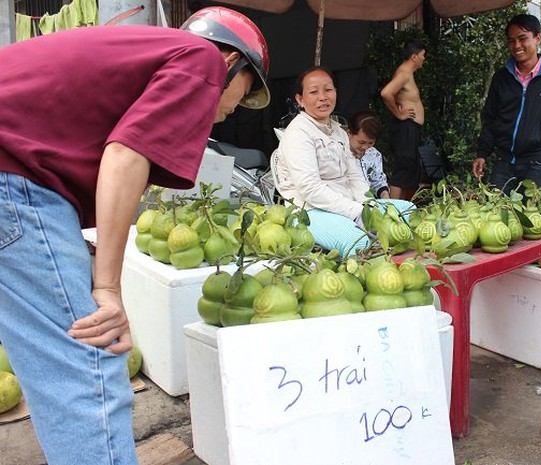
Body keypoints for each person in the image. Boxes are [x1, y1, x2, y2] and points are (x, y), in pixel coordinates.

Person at [0, 7, 269, 465]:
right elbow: (125, 156)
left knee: (53, 364)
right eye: (244, 93)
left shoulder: (141, 53)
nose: (231, 109)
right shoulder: (201, 59)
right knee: (89, 362)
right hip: (13, 181)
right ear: (231, 62)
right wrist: (106, 287)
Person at [274, 66, 412, 257]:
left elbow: (354, 176)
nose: (323, 97)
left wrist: (368, 205)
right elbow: (310, 189)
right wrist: (356, 211)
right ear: (300, 100)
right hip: (310, 210)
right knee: (359, 242)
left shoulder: (338, 131)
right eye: (314, 92)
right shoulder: (298, 133)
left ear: (336, 92)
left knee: (409, 211)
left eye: (328, 90)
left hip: (348, 204)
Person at [472, 14, 541, 195]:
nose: (517, 46)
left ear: (538, 38)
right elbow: (490, 116)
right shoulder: (502, 76)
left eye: (522, 39)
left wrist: (540, 133)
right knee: (497, 215)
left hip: (537, 165)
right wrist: (483, 152)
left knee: (536, 219)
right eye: (511, 41)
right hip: (503, 164)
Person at [380, 39, 427, 200]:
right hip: (405, 127)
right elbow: (386, 93)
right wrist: (398, 114)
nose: (423, 58)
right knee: (403, 168)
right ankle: (394, 208)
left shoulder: (408, 74)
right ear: (414, 56)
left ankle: (407, 208)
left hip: (411, 128)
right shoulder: (404, 74)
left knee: (412, 170)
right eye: (422, 55)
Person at [347, 109, 390, 199]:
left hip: (369, 204)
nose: (365, 147)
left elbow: (378, 182)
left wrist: (386, 198)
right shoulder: (339, 153)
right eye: (361, 142)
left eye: (370, 143)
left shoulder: (374, 154)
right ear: (350, 133)